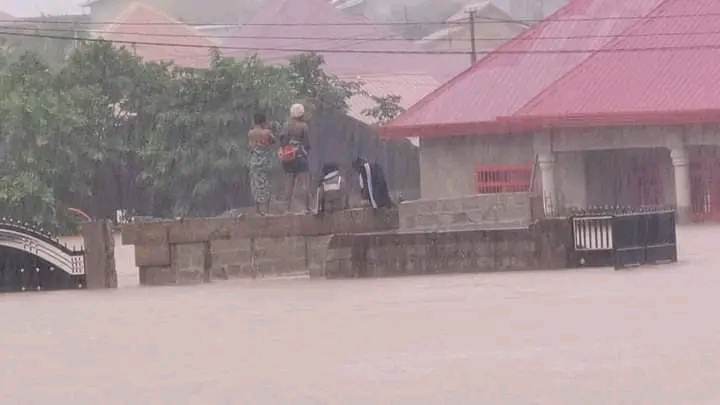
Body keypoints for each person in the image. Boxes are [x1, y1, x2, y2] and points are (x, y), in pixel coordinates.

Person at [279, 103, 311, 213]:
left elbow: (282, 142)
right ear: (302, 114)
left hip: (288, 158)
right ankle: (304, 208)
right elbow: (307, 144)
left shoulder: (286, 125)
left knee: (288, 184)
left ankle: (286, 209)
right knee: (303, 183)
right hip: (300, 157)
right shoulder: (304, 126)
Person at [248, 112, 276, 215]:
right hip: (265, 162)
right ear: (264, 121)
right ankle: (267, 210)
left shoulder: (250, 133)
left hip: (254, 162)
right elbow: (274, 140)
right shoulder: (267, 133)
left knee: (256, 185)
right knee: (266, 184)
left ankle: (258, 210)